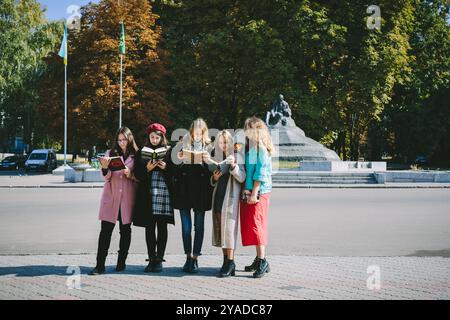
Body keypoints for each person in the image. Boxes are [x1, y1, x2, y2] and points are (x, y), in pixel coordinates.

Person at [89, 127, 138, 275]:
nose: (122, 142)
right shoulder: (110, 154)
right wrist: (104, 168)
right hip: (111, 198)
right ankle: (99, 265)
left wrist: (130, 174)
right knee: (105, 232)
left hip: (127, 199)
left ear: (130, 139)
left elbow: (139, 178)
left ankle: (121, 262)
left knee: (125, 231)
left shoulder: (136, 155)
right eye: (119, 140)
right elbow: (106, 177)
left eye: (124, 139)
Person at [172, 118, 213, 273]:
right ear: (191, 132)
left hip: (200, 192)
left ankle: (195, 258)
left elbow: (213, 170)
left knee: (199, 226)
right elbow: (174, 171)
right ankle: (188, 257)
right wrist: (180, 161)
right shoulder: (182, 145)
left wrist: (206, 161)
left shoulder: (209, 147)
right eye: (194, 132)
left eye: (199, 133)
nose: (196, 135)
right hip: (184, 191)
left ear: (203, 133)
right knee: (186, 228)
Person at [133, 123, 175, 273]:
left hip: (164, 192)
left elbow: (175, 173)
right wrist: (147, 169)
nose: (154, 139)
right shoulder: (141, 152)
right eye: (152, 137)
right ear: (148, 137)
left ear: (162, 137)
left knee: (162, 226)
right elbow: (137, 174)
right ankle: (151, 258)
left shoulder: (170, 152)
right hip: (148, 193)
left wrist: (167, 168)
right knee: (149, 227)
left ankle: (159, 259)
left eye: (157, 137)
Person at [240, 117, 273, 278]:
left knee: (257, 226)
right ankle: (259, 259)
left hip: (259, 192)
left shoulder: (260, 149)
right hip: (251, 191)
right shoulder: (252, 147)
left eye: (248, 128)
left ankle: (263, 260)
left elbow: (260, 173)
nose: (245, 131)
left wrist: (254, 193)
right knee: (253, 225)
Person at [209, 130, 246, 277]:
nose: (223, 144)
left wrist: (233, 167)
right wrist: (214, 178)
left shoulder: (237, 156)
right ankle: (225, 261)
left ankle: (231, 262)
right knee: (221, 230)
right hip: (218, 197)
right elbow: (211, 182)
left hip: (230, 199)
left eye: (225, 142)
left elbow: (242, 177)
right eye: (220, 142)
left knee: (229, 231)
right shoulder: (216, 157)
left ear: (230, 142)